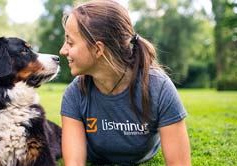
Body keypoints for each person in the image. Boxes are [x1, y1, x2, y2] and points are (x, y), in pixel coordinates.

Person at [59, 0, 191, 165]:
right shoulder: (75, 93)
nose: (62, 50)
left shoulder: (159, 88)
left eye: (70, 43)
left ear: (98, 49)